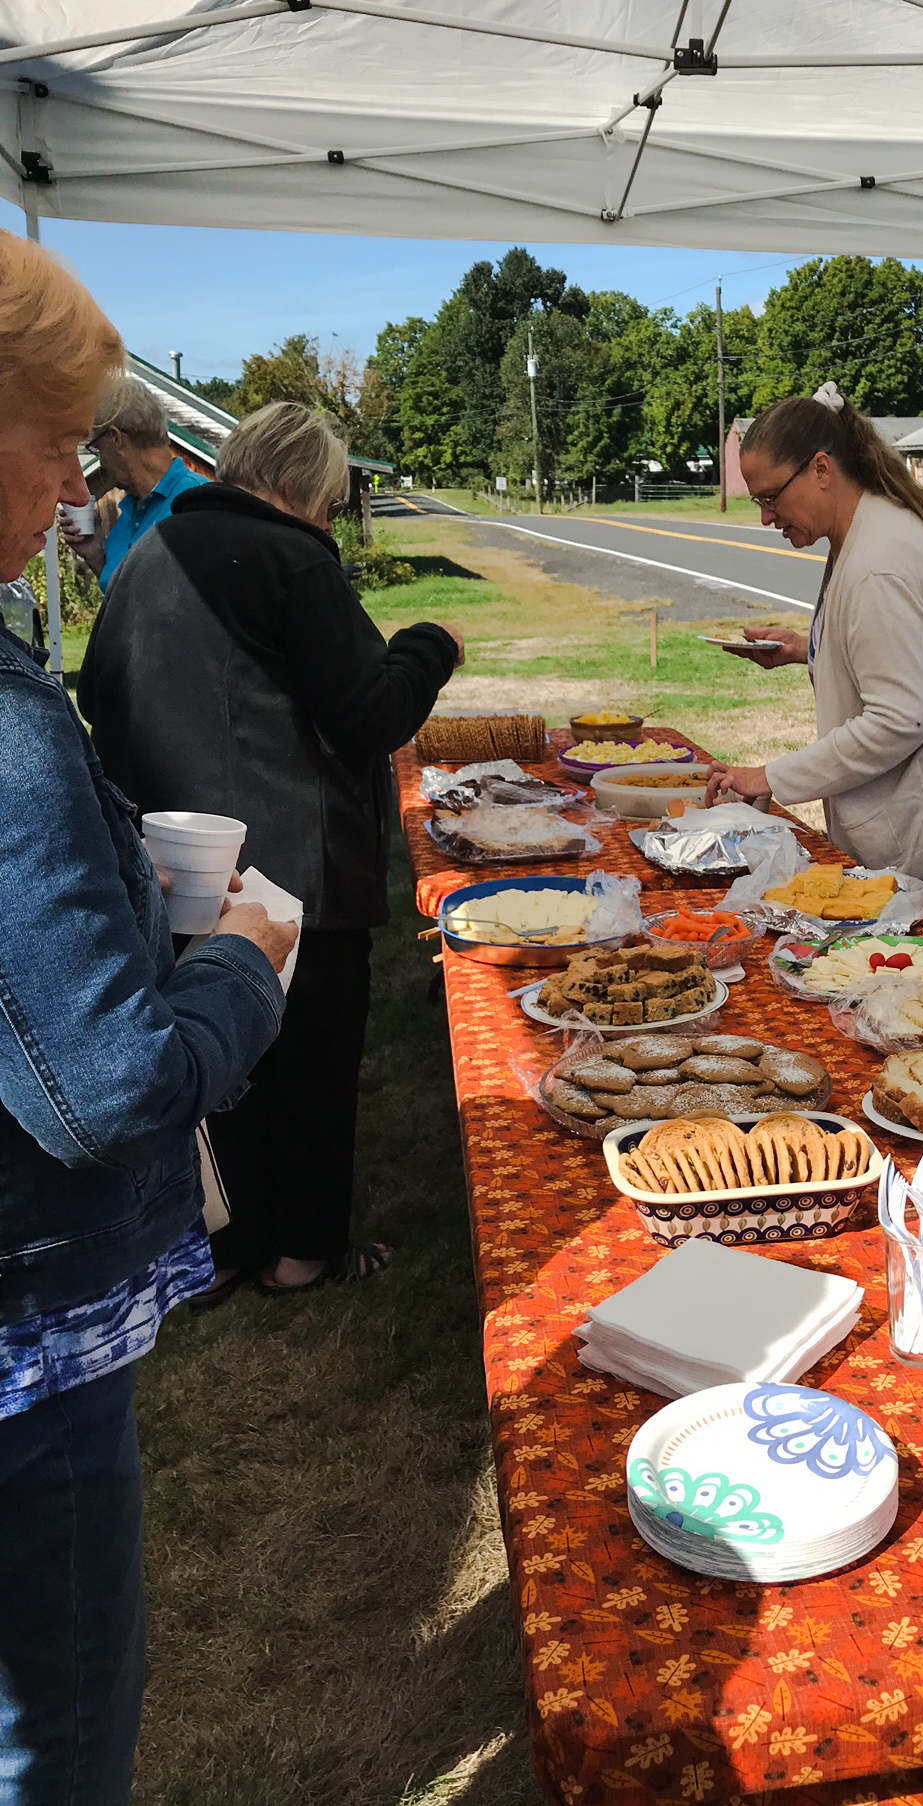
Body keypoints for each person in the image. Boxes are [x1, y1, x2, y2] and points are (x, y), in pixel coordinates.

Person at [0, 231, 297, 1806]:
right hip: (22, 1333)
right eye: (51, 444)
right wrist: (238, 957)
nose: (72, 486)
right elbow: (111, 1084)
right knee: (51, 1729)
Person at [80, 402, 464, 1300]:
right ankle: (303, 1251)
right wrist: (428, 648)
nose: (330, 519)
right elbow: (370, 712)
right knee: (311, 1066)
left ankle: (221, 1245)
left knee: (217, 1064)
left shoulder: (147, 558)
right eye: (331, 503)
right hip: (296, 869)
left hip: (178, 862)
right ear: (298, 488)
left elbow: (101, 687)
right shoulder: (290, 558)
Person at [703, 382, 923, 937]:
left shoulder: (879, 560)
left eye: (770, 496)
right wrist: (806, 649)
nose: (765, 517)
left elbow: (903, 715)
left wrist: (772, 776)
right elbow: (888, 654)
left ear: (822, 469)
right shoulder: (866, 529)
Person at [57, 374, 206, 590]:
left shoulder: (196, 502)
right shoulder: (129, 511)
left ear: (116, 438)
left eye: (98, 448)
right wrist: (96, 555)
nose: (102, 462)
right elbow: (124, 601)